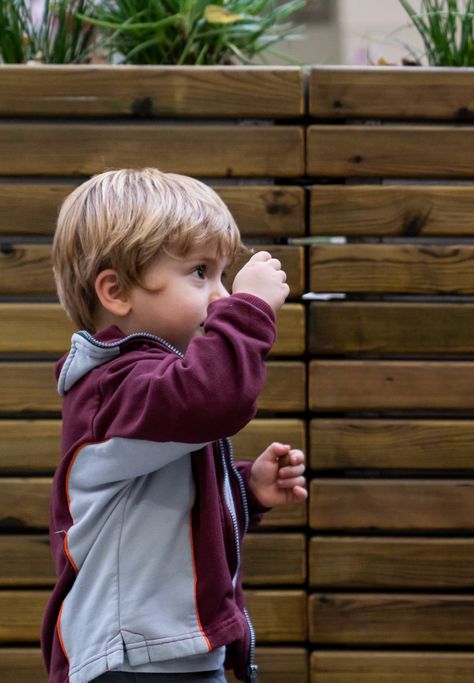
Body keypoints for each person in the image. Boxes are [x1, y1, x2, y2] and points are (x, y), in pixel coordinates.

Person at [42, 168, 308, 683]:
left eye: (225, 277)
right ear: (116, 292)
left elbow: (160, 504)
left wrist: (245, 489)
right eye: (200, 273)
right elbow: (213, 399)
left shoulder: (153, 391)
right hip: (132, 661)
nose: (221, 296)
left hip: (167, 650)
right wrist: (249, 311)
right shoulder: (113, 390)